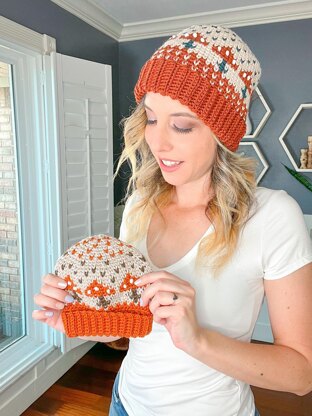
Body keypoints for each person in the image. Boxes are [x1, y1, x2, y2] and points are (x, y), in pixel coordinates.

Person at [33, 24, 312, 416]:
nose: (158, 142)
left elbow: (301, 375)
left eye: (181, 125)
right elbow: (136, 329)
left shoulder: (271, 217)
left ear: (222, 132)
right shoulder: (140, 205)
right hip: (125, 404)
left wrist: (196, 339)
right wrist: (87, 321)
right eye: (150, 118)